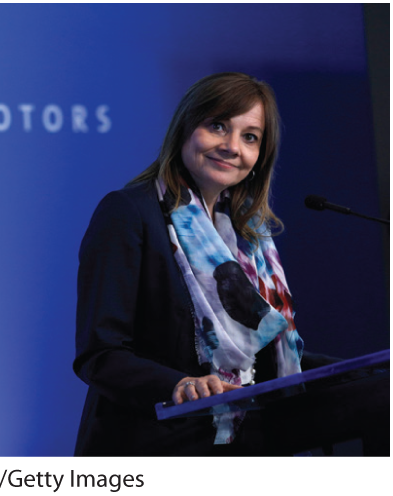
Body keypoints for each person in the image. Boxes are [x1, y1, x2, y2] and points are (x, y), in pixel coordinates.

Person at [73, 72, 333, 456]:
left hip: (239, 452)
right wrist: (178, 384)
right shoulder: (129, 213)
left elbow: (265, 357)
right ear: (185, 128)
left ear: (260, 157)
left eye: (250, 137)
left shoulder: (249, 241)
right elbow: (101, 354)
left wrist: (363, 370)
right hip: (149, 448)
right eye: (217, 126)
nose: (232, 147)